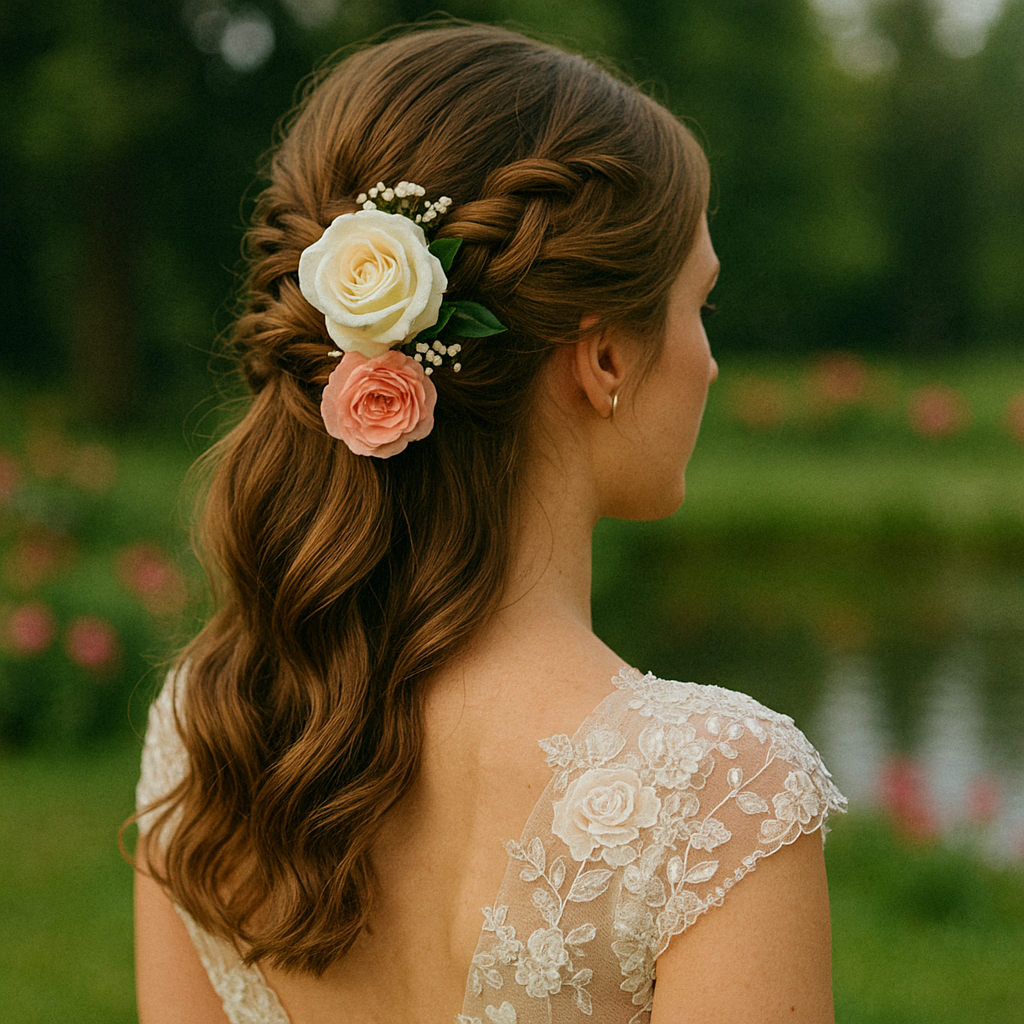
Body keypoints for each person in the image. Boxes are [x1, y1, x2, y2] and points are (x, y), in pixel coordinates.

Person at [133, 22, 846, 1024]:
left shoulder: (213, 727)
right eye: (702, 306)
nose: (709, 360)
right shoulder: (716, 789)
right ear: (600, 358)